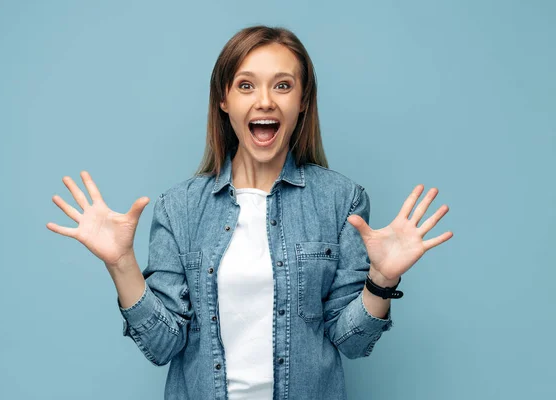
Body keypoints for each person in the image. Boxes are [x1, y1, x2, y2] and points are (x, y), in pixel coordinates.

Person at [47, 25, 452, 400]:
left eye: (283, 85)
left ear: (302, 101)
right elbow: (162, 346)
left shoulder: (341, 200)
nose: (265, 100)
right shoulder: (180, 208)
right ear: (224, 100)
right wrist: (121, 264)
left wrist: (382, 280)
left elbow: (353, 343)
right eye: (246, 85)